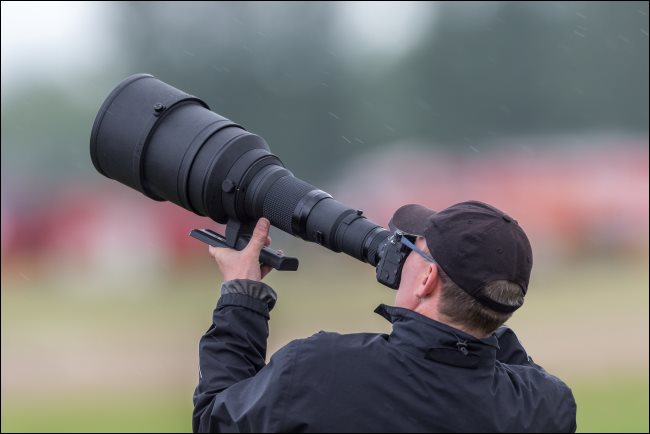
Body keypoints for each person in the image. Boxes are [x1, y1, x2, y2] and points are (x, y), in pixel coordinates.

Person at [192, 200, 577, 433]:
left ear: (427, 278)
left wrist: (242, 295)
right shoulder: (546, 408)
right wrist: (481, 310)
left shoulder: (319, 370)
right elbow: (495, 363)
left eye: (412, 248)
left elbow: (215, 420)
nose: (400, 253)